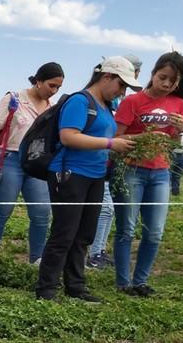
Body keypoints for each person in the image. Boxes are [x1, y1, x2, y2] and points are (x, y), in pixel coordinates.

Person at [36, 56, 139, 302]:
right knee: (64, 233)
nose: (122, 91)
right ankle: (46, 289)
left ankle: (76, 287)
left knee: (84, 235)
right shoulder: (80, 101)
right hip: (70, 174)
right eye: (121, 85)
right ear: (106, 77)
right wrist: (111, 143)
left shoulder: (106, 106)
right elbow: (69, 136)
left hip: (95, 176)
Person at [112, 51, 183, 297]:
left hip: (161, 173)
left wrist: (179, 130)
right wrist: (144, 137)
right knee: (127, 229)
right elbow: (115, 138)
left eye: (173, 81)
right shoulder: (132, 102)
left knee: (154, 232)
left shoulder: (178, 104)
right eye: (162, 77)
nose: (166, 84)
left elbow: (172, 141)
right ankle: (124, 283)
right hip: (131, 170)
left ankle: (141, 281)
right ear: (153, 74)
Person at [0, 62, 64, 264]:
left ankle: (37, 259)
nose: (53, 91)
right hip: (11, 160)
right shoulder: (14, 99)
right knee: (2, 210)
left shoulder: (52, 107)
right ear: (38, 81)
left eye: (58, 88)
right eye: (51, 85)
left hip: (37, 164)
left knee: (41, 213)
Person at [87, 54, 143, 270]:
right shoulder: (100, 100)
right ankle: (94, 253)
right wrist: (113, 143)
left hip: (110, 162)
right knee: (105, 209)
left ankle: (98, 250)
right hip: (101, 162)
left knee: (107, 210)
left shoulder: (114, 99)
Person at [169, 115, 183, 196]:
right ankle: (167, 192)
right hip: (173, 153)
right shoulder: (174, 129)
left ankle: (175, 192)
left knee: (178, 174)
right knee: (169, 174)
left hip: (182, 153)